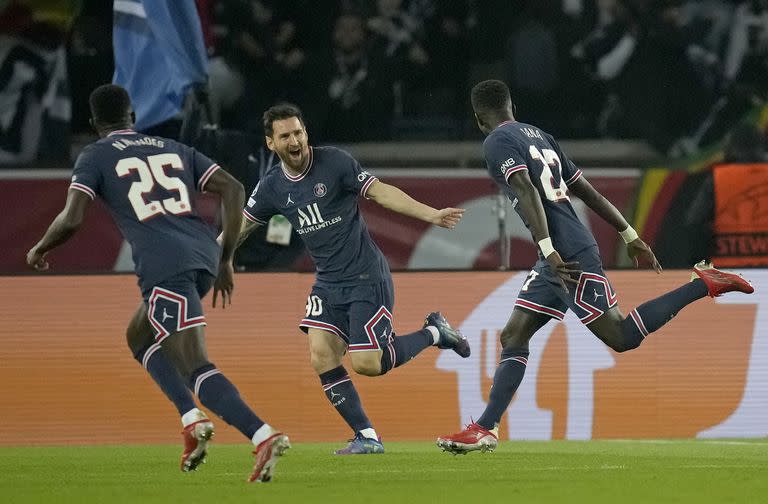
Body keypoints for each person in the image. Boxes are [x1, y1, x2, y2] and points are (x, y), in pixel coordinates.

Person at [436, 79, 755, 454]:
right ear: (513, 107)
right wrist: (629, 232)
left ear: (479, 119)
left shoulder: (495, 143)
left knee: (621, 337)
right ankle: (485, 428)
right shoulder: (541, 136)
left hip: (565, 254)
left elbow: (524, 188)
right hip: (555, 255)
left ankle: (702, 283)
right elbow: (587, 191)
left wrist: (548, 249)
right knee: (514, 335)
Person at [25, 84, 289, 482]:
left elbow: (73, 218)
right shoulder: (172, 147)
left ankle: (263, 434)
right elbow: (234, 189)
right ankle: (190, 419)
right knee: (139, 335)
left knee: (196, 366)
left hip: (166, 267)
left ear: (95, 123)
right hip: (202, 256)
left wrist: (40, 248)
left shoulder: (95, 155)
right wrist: (227, 256)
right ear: (133, 116)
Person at [234, 102, 469, 454]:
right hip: (327, 283)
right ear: (271, 143)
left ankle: (436, 332)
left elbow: (381, 192)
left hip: (365, 277)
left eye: (298, 132)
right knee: (321, 355)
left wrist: (431, 214)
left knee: (367, 364)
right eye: (285, 136)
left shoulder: (335, 163)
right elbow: (242, 226)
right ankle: (368, 437)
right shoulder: (270, 187)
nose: (295, 140)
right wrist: (210, 256)